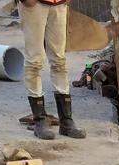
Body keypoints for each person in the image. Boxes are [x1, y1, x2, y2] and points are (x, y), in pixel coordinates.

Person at [20, 0, 86, 142]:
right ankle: (40, 121)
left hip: (58, 4)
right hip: (34, 5)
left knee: (59, 60)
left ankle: (66, 121)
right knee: (34, 62)